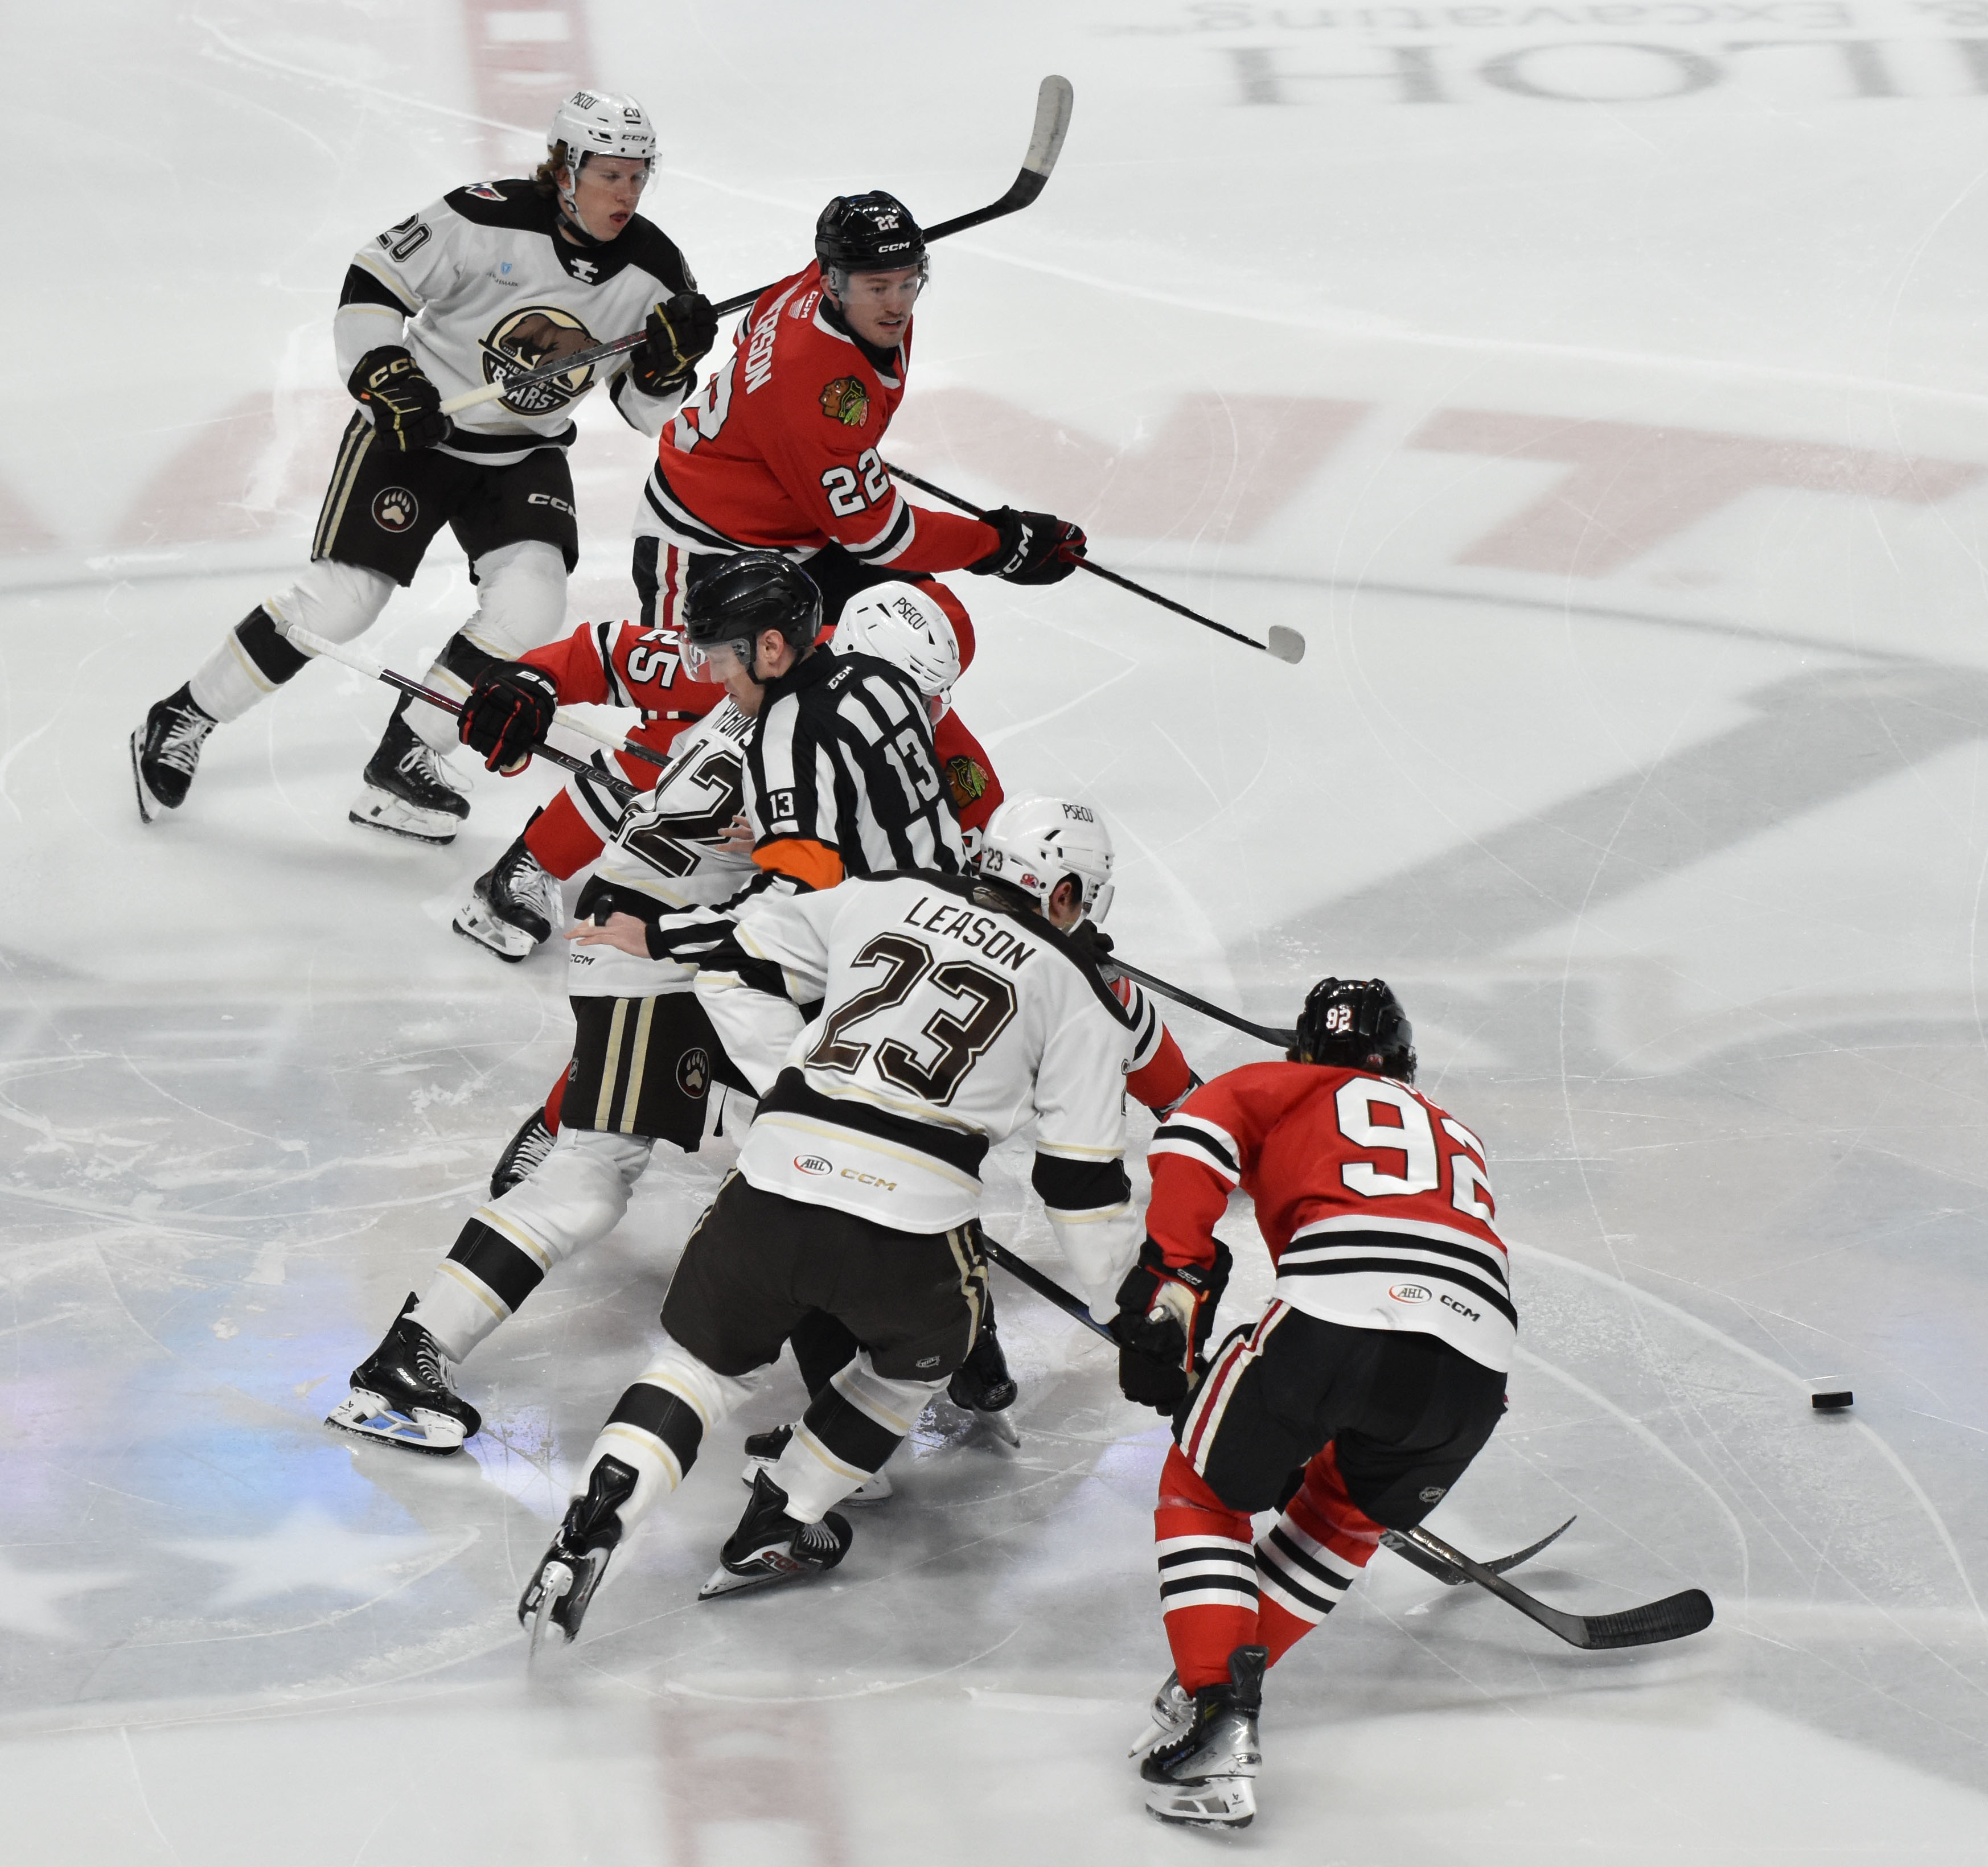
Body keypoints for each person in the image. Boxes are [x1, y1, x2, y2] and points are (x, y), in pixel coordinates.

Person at [324, 555, 972, 1452]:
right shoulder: (815, 727)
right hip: (648, 954)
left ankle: (885, 1382)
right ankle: (409, 1354)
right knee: (606, 1175)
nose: (710, 674)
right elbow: (800, 903)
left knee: (799, 1159)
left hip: (675, 948)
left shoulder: (789, 704)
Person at [514, 847, 1144, 1643]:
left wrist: (798, 1085)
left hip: (775, 1177)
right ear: (1065, 893)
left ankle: (594, 1517)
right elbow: (1080, 1185)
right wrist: (1127, 1304)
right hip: (911, 1219)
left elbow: (735, 957)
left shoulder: (889, 893)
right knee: (916, 1364)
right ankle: (782, 1519)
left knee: (695, 1369)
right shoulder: (1083, 992)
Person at [129, 89, 713, 845]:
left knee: (532, 604)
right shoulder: (484, 216)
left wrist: (668, 368)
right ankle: (184, 715)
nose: (626, 194)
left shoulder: (658, 269)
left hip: (523, 454)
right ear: (566, 169)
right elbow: (375, 278)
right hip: (418, 434)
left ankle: (406, 756)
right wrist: (384, 373)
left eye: (637, 176)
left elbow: (645, 411)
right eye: (609, 175)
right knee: (344, 603)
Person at [1119, 979, 1514, 1829]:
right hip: (1478, 1363)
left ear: (1305, 1051)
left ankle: (1218, 1709)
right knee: (1341, 1520)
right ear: (1403, 1062)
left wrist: (1174, 1283)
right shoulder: (1456, 1130)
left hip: (1338, 1316)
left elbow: (1191, 1138)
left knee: (1203, 1493)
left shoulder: (1282, 1082)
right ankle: (1215, 1688)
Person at [737, 792, 1202, 1490]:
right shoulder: (1103, 992)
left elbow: (752, 957)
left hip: (850, 1150)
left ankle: (842, 1446)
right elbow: (1180, 1102)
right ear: (1063, 890)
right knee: (941, 1239)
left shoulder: (902, 906)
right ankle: (978, 1370)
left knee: (802, 1245)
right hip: (939, 1181)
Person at [453, 577, 1002, 964]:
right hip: (724, 881)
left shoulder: (953, 764)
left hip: (799, 898)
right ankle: (536, 858)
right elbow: (612, 656)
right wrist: (533, 682)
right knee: (683, 752)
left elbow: (963, 883)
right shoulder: (769, 655)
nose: (904, 709)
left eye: (927, 698)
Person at [629, 187, 1089, 639]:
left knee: (937, 631)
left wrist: (799, 457)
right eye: (878, 287)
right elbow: (879, 536)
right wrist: (1001, 546)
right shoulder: (811, 389)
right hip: (706, 540)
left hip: (805, 531)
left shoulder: (826, 288)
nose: (896, 305)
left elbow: (751, 328)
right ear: (833, 284)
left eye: (908, 282)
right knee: (700, 686)